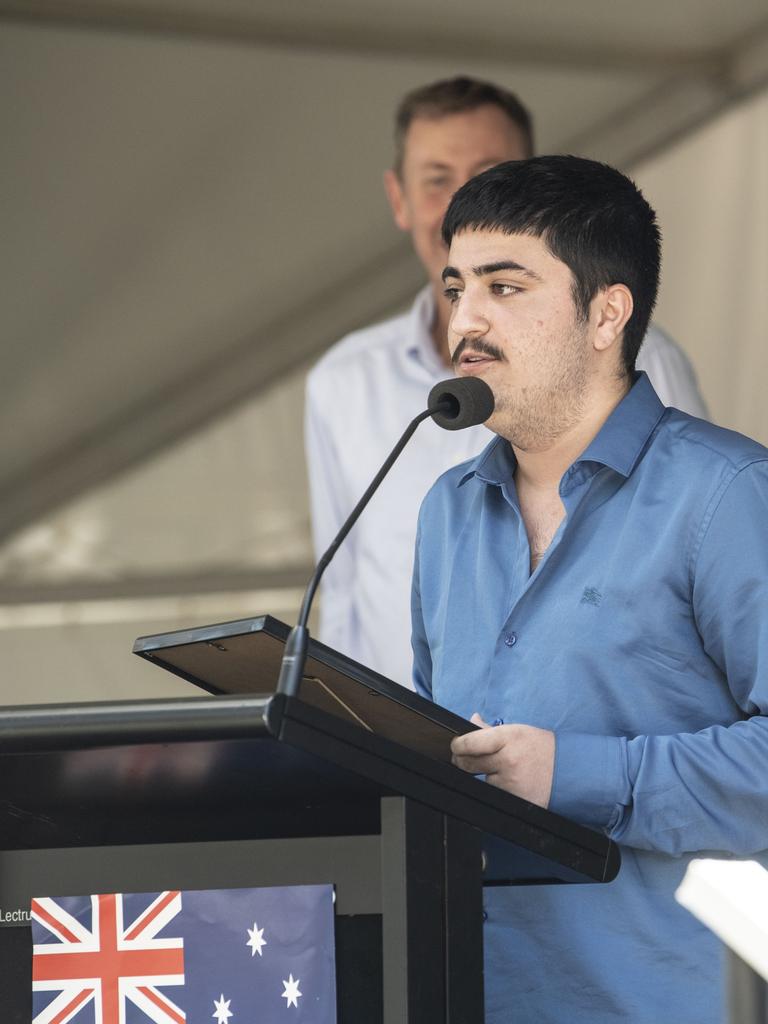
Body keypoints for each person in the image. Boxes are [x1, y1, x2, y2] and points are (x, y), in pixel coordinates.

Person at [412, 155, 768, 1023]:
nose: (467, 319)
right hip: (473, 994)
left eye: (506, 287)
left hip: (676, 1002)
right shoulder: (445, 513)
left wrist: (573, 773)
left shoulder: (726, 493)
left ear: (607, 312)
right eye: (457, 288)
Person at [306, 76, 708, 688]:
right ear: (400, 198)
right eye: (437, 179)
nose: (461, 202)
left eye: (486, 173)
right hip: (409, 761)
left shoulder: (649, 364)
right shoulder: (343, 382)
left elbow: (690, 536)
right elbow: (342, 598)